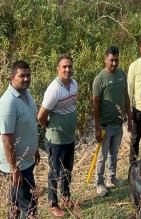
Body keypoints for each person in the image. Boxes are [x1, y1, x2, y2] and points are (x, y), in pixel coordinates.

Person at [38, 55, 78, 217]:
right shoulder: (53, 89)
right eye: (64, 67)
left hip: (69, 137)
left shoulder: (74, 84)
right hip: (55, 140)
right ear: (58, 69)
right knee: (54, 171)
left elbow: (71, 106)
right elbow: (41, 115)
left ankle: (66, 197)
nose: (67, 69)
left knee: (68, 170)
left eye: (69, 66)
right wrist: (48, 126)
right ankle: (53, 204)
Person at [0, 61, 39, 218]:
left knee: (16, 206)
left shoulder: (26, 94)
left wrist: (34, 149)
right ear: (12, 77)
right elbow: (6, 139)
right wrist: (14, 168)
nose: (25, 79)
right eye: (21, 76)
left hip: (26, 161)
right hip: (17, 167)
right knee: (29, 207)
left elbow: (29, 125)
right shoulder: (8, 102)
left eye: (28, 75)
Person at [93, 47, 131, 197]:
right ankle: (99, 183)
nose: (114, 63)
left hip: (118, 124)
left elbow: (126, 97)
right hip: (105, 126)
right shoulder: (100, 79)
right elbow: (95, 105)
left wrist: (130, 118)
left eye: (116, 60)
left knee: (114, 154)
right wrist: (97, 128)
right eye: (111, 60)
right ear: (105, 59)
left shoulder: (122, 75)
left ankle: (112, 178)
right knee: (102, 156)